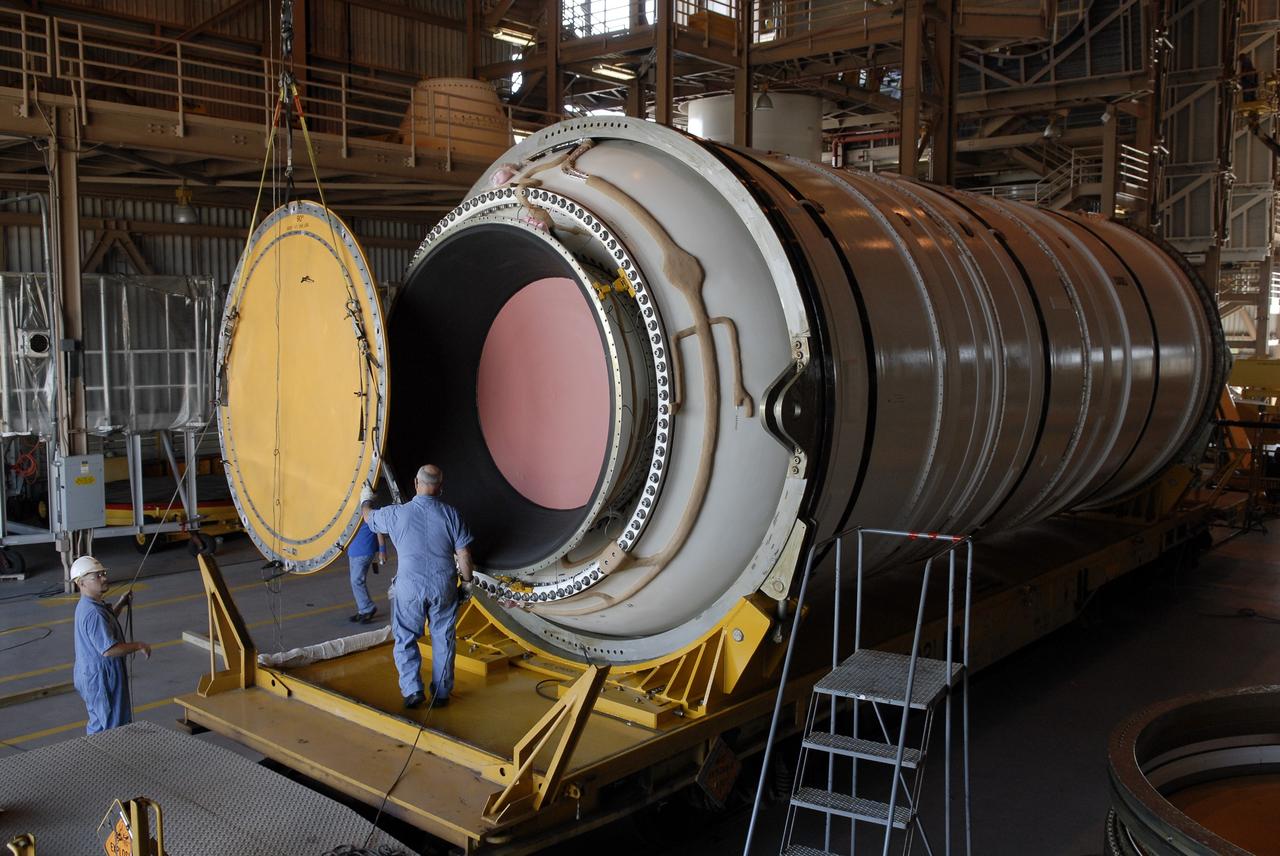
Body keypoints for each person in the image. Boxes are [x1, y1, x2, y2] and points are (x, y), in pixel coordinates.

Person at [362, 465, 474, 709]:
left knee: (404, 637)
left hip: (409, 588)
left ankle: (412, 690)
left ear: (415, 483)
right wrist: (466, 583)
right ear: (440, 487)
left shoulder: (396, 514)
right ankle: (442, 692)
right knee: (444, 638)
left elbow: (369, 518)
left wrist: (365, 500)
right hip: (443, 586)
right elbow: (464, 554)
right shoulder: (451, 514)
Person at [70, 556, 152, 734]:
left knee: (100, 723)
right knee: (112, 727)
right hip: (102, 677)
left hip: (90, 674)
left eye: (103, 574)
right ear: (81, 583)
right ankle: (110, 759)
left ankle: (97, 756)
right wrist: (138, 645)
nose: (104, 578)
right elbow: (108, 650)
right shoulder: (93, 613)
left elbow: (106, 625)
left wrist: (120, 604)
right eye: (96, 576)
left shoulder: (90, 605)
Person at [347, 519, 387, 624]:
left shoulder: (369, 511)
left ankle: (368, 608)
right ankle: (363, 610)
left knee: (356, 581)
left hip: (364, 551)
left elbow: (379, 531)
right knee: (355, 581)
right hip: (353, 551)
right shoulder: (353, 513)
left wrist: (382, 551)